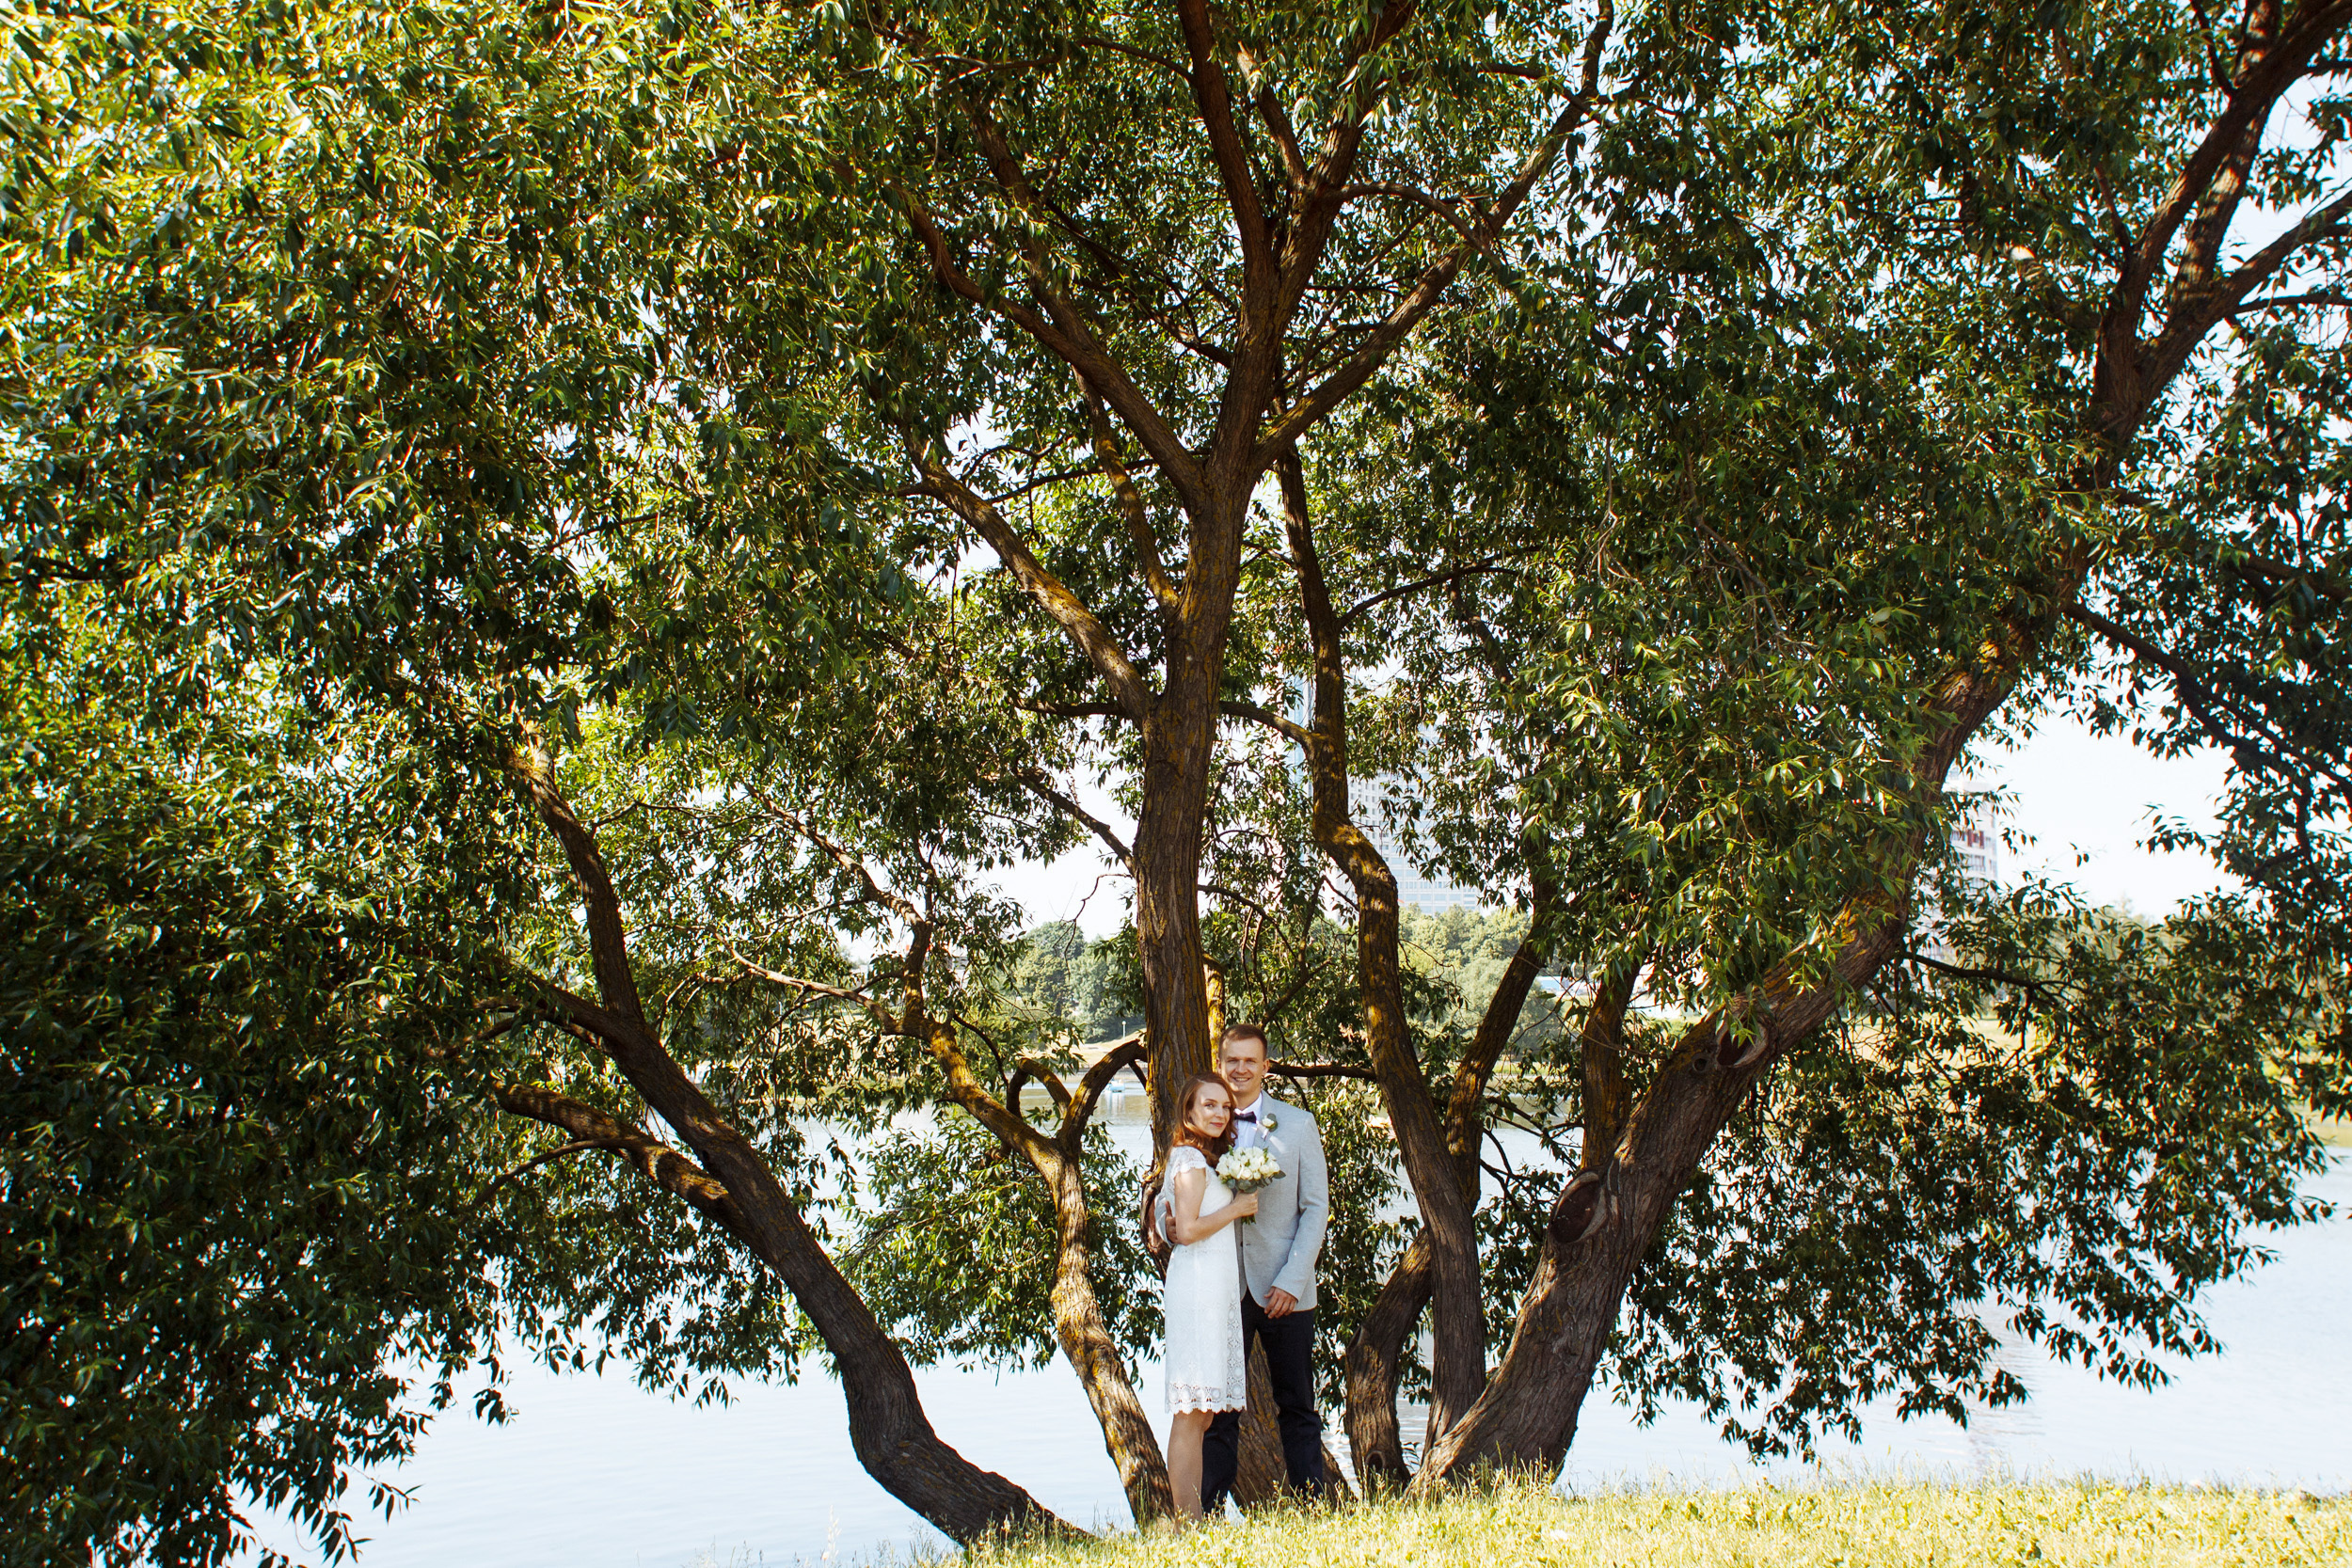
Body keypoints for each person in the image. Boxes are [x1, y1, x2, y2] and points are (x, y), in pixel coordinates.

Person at [1200, 1022, 1329, 1510]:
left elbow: (1316, 1207)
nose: (1240, 1069)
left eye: (1249, 1060)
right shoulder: (1205, 1126)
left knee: (1296, 1406)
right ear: (1221, 1063)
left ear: (1265, 1067)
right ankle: (1206, 1513)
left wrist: (1293, 1281)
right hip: (1222, 1289)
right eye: (1231, 1060)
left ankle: (1311, 1509)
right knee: (1220, 1411)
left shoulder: (1297, 1125)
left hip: (1285, 1291)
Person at [1159, 1072, 1259, 1523]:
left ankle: (1193, 1519)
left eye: (1225, 1107)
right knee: (1190, 1411)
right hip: (1197, 1290)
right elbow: (1190, 1231)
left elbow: (1181, 1223)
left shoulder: (1207, 1158)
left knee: (1202, 1416)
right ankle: (1186, 1524)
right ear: (1190, 1111)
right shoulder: (1188, 1159)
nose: (1219, 1114)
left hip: (1214, 1289)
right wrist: (1235, 1209)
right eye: (1209, 1105)